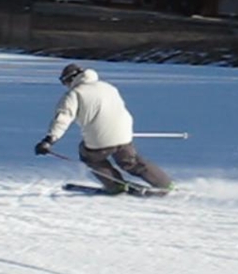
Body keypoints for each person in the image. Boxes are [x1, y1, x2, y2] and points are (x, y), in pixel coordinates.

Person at [34, 63, 173, 194]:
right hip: (124, 132)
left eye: (64, 82)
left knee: (90, 156)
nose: (66, 86)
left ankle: (115, 185)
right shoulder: (108, 87)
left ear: (70, 79)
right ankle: (164, 184)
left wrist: (49, 140)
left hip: (99, 137)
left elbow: (63, 118)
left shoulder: (75, 94)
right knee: (131, 162)